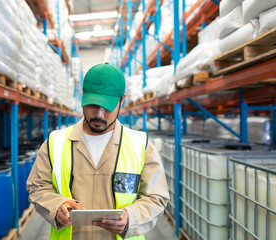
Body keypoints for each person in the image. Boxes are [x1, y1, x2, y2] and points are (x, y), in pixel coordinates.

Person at [26, 63, 169, 240]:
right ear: (82, 98)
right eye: (92, 105)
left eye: (107, 106)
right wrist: (57, 205)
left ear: (122, 101)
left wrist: (130, 217)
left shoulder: (141, 145)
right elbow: (37, 186)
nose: (99, 114)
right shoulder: (55, 142)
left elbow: (156, 197)